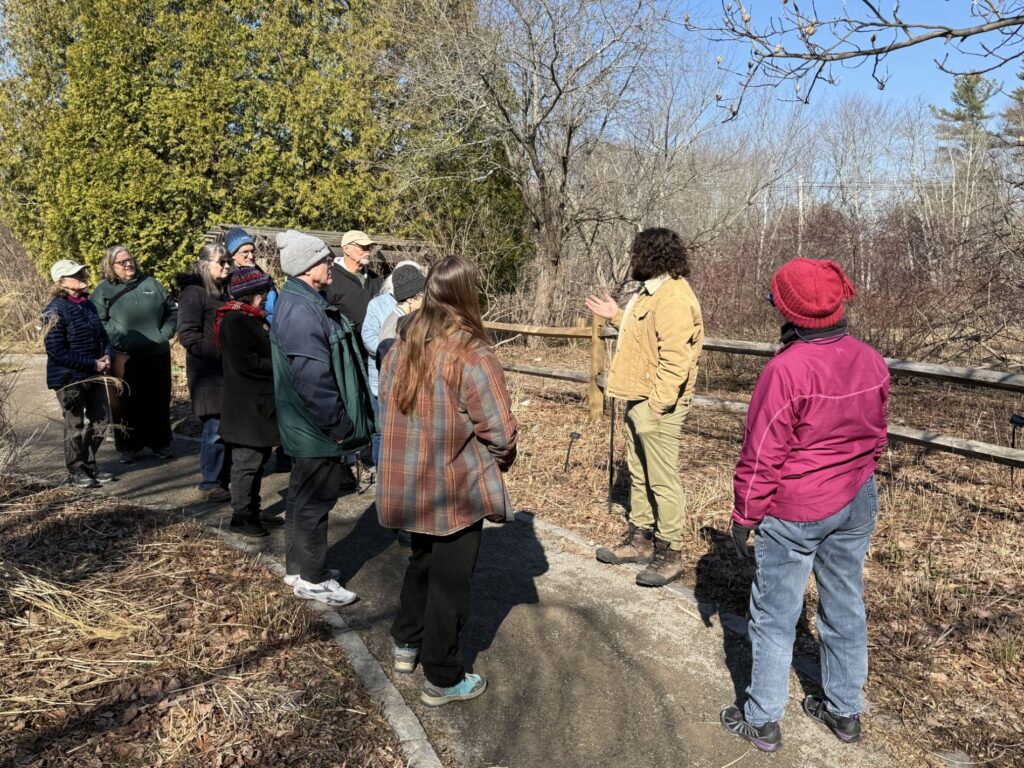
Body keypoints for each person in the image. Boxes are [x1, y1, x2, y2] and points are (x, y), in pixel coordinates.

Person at [719, 258, 889, 753]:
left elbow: (762, 451)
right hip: (857, 496)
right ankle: (844, 711)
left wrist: (744, 515)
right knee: (844, 604)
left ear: (789, 310)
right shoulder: (871, 359)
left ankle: (764, 719)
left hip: (797, 507)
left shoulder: (785, 369)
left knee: (774, 613)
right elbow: (877, 435)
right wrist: (857, 473)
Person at [377, 256, 518, 707]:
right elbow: (499, 429)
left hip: (410, 483)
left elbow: (386, 406)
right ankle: (442, 675)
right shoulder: (471, 353)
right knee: (450, 582)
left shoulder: (402, 347)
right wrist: (500, 458)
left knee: (422, 561)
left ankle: (406, 642)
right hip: (455, 487)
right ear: (466, 294)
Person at [587, 227, 704, 587]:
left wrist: (657, 406)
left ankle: (671, 553)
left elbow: (675, 360)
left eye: (636, 253)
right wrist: (617, 315)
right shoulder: (650, 292)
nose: (631, 260)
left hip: (657, 405)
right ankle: (640, 539)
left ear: (653, 256)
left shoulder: (673, 297)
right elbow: (645, 335)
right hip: (638, 397)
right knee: (639, 472)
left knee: (662, 478)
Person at [271, 229, 372, 607]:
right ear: (305, 266)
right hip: (316, 428)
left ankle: (299, 569)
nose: (329, 264)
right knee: (315, 501)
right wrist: (340, 428)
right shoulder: (301, 309)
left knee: (301, 496)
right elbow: (313, 380)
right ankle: (313, 580)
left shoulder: (305, 300)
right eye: (323, 259)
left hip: (308, 426)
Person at [90, 245, 177, 464]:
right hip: (124, 356)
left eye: (130, 260)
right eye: (122, 262)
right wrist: (119, 338)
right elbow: (97, 321)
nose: (128, 264)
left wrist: (164, 333)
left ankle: (160, 443)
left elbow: (172, 311)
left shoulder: (151, 283)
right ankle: (129, 447)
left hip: (157, 352)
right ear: (111, 266)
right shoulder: (103, 290)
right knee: (125, 402)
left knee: (158, 399)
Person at [216, 266, 282, 538]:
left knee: (258, 459)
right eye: (261, 292)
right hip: (246, 408)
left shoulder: (251, 318)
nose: (265, 297)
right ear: (249, 294)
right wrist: (279, 363)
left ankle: (252, 509)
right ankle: (242, 516)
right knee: (247, 463)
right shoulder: (236, 321)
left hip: (258, 405)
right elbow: (247, 363)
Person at [43, 260, 113, 488]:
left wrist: (107, 356)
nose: (82, 276)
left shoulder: (88, 305)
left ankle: (89, 464)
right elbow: (56, 351)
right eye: (76, 274)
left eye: (82, 272)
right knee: (75, 424)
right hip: (68, 378)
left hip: (94, 373)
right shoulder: (53, 311)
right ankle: (75, 470)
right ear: (61, 282)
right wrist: (92, 364)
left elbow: (103, 337)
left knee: (102, 421)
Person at [324, 229, 382, 489]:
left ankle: (365, 455)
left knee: (370, 405)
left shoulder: (375, 279)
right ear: (346, 248)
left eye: (369, 246)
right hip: (346, 354)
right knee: (349, 404)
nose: (367, 251)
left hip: (372, 355)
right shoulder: (332, 279)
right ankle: (345, 462)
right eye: (361, 247)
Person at [177, 244, 233, 501]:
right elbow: (187, 334)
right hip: (208, 373)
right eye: (221, 262)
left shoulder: (224, 292)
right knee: (215, 429)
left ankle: (223, 478)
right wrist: (217, 351)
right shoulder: (194, 293)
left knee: (227, 426)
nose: (227, 267)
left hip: (228, 371)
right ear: (205, 264)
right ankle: (210, 482)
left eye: (228, 262)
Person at [362, 260, 427, 467]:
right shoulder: (394, 327)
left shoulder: (401, 319)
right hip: (395, 396)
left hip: (396, 394)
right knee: (385, 437)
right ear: (412, 298)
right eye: (423, 296)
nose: (425, 301)